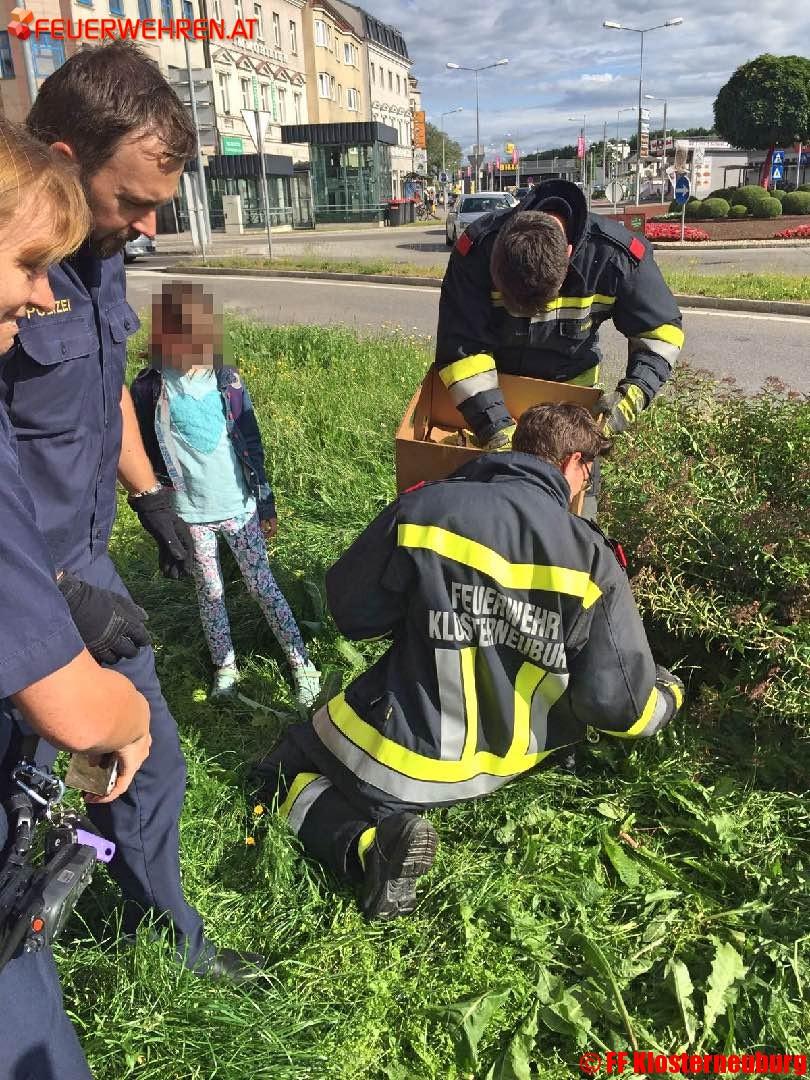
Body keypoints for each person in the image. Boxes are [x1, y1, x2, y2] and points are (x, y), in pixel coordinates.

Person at [0, 42, 266, 981]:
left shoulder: (97, 253)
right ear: (68, 161)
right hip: (23, 585)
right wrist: (58, 591)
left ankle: (162, 931)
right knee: (34, 770)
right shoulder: (10, 272)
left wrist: (149, 496)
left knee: (139, 756)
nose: (148, 226)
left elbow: (105, 385)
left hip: (82, 567)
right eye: (134, 200)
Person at [252, 404, 684, 920]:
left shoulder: (427, 509)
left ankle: (369, 849)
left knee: (277, 772)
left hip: (403, 758)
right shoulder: (591, 557)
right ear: (573, 463)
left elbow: (349, 614)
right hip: (516, 758)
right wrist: (668, 693)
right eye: (589, 473)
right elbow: (616, 705)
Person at [0, 117, 152, 1080]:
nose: (42, 290)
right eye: (22, 263)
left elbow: (117, 400)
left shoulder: (108, 281)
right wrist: (123, 709)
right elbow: (72, 707)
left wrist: (155, 501)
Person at [131, 281, 321, 704]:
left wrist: (266, 501)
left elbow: (250, 441)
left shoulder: (227, 379)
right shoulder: (149, 388)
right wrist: (160, 511)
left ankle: (301, 660)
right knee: (210, 593)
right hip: (190, 514)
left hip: (240, 507)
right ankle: (225, 666)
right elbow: (142, 450)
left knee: (263, 586)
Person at [434, 178, 684, 472]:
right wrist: (496, 430)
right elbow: (463, 349)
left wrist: (630, 399)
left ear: (567, 255)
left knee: (575, 506)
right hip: (499, 396)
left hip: (572, 410)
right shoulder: (476, 251)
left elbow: (661, 333)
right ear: (498, 249)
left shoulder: (616, 257)